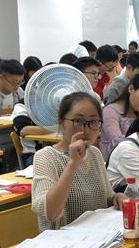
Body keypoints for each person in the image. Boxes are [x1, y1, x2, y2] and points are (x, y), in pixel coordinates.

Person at [30, 91, 121, 231]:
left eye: (93, 122)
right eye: (78, 121)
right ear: (61, 122)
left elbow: (107, 197)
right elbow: (50, 213)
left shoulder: (94, 153)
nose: (86, 129)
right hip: (62, 241)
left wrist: (117, 198)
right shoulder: (46, 156)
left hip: (98, 236)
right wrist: (73, 163)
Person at [100, 73, 139, 162]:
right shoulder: (110, 111)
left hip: (136, 158)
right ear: (131, 89)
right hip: (115, 162)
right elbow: (116, 141)